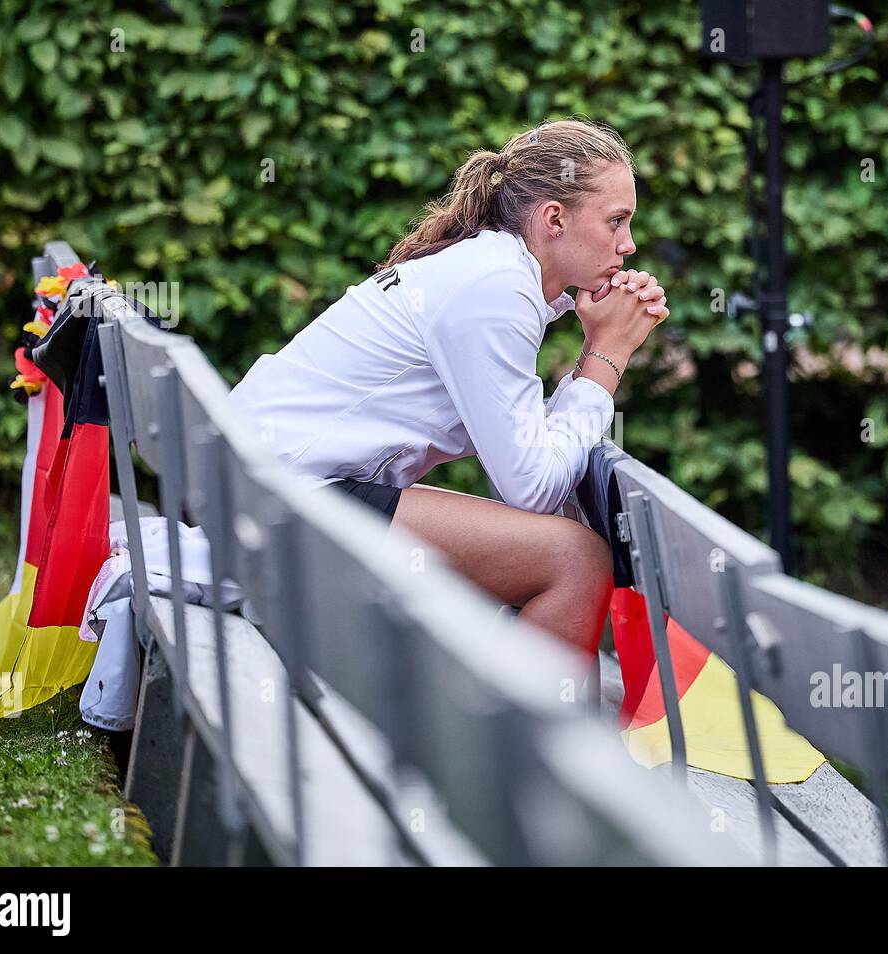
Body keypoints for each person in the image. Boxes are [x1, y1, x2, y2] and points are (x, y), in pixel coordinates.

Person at [229, 119, 669, 657]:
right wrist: (608, 356)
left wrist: (595, 332)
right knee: (573, 560)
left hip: (254, 480)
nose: (629, 244)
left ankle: (506, 728)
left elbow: (532, 449)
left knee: (552, 552)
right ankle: (531, 742)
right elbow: (533, 487)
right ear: (554, 218)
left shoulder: (491, 271)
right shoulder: (495, 289)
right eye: (616, 221)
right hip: (274, 495)